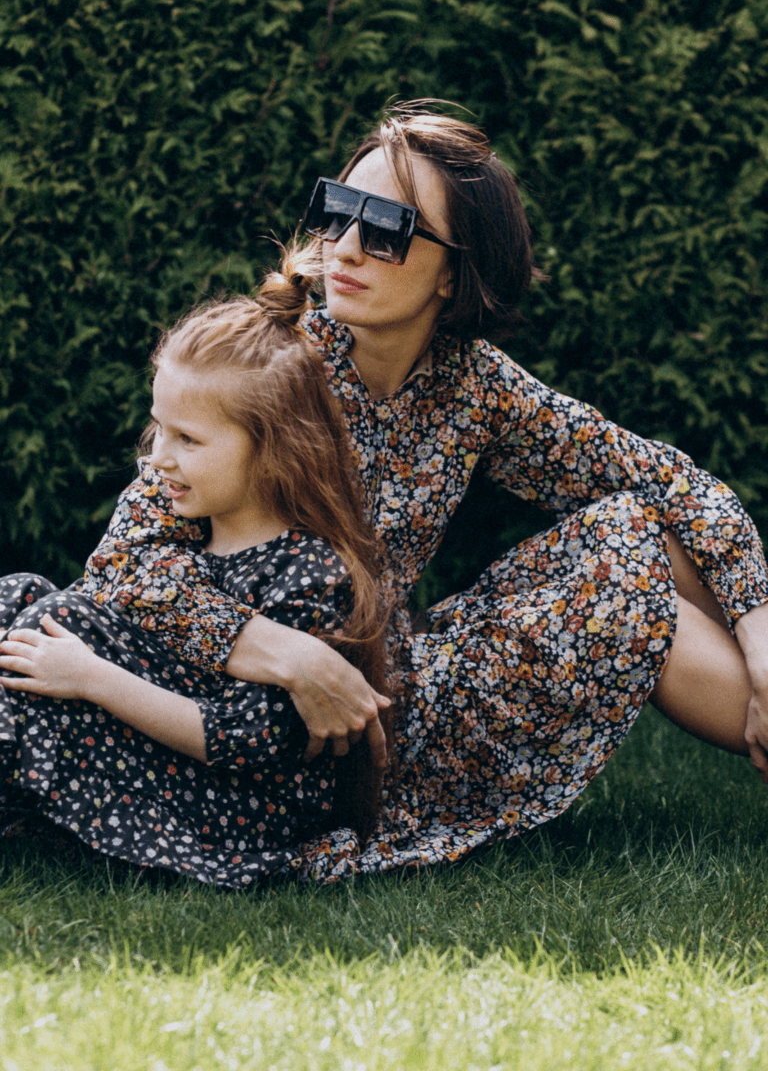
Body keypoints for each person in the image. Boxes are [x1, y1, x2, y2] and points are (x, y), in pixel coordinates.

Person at [7, 103, 768, 885]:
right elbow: (124, 564)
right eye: (339, 213)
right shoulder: (277, 364)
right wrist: (293, 655)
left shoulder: (473, 385)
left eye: (388, 231)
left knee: (633, 534)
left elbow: (671, 485)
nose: (345, 248)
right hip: (253, 718)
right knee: (642, 572)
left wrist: (761, 635)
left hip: (389, 696)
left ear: (454, 273)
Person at [0, 283, 390, 885]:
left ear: (273, 449)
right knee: (20, 594)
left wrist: (89, 677)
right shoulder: (180, 520)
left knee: (61, 625)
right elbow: (108, 581)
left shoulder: (306, 571)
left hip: (238, 808)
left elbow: (238, 738)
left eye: (188, 439)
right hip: (170, 758)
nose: (159, 457)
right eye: (159, 429)